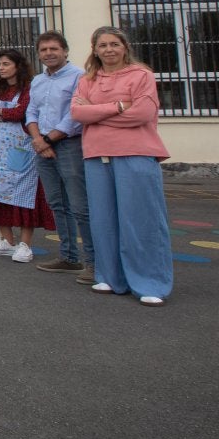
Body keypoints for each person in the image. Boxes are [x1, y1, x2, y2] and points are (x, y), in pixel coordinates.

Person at [71, 26, 172, 306]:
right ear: (95, 50)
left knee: (140, 219)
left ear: (125, 47)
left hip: (136, 153)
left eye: (114, 44)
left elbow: (142, 113)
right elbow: (78, 112)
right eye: (102, 45)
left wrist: (96, 112)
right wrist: (118, 106)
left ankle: (150, 282)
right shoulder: (87, 80)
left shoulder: (141, 75)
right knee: (103, 219)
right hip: (96, 154)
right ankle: (110, 276)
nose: (109, 50)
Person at [26, 31, 93, 281]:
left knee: (80, 206)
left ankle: (94, 263)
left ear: (65, 51)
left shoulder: (80, 77)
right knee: (57, 203)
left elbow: (75, 115)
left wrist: (47, 140)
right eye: (43, 50)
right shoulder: (37, 80)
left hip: (69, 145)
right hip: (41, 145)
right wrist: (38, 139)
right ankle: (69, 257)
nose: (49, 53)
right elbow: (31, 112)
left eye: (53, 49)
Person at [0, 50, 55, 263]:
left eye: (6, 64)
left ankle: (25, 244)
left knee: (23, 195)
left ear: (17, 65)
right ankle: (7, 241)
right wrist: (2, 113)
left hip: (21, 149)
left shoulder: (28, 88)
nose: (1, 68)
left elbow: (22, 113)